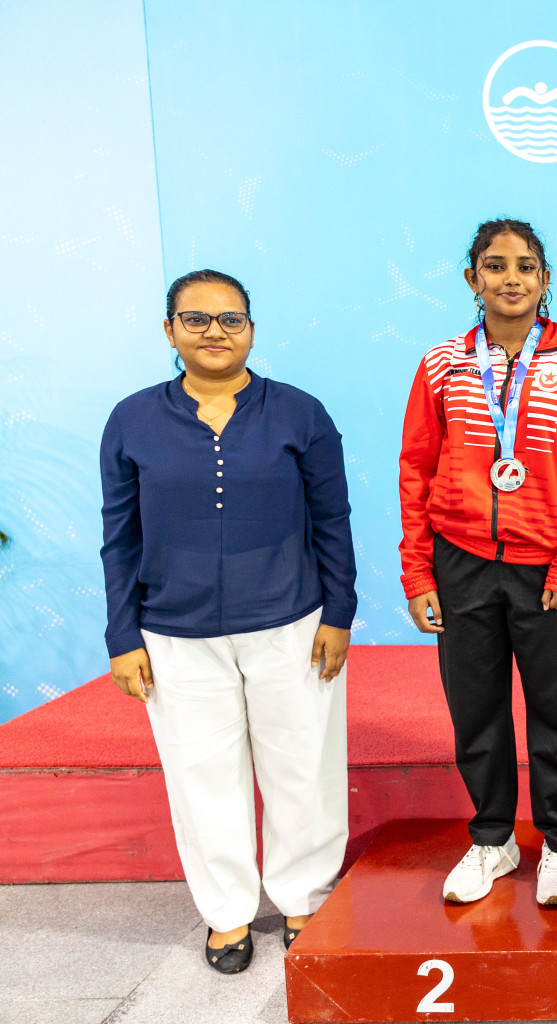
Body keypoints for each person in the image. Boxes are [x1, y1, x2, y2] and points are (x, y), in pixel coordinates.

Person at [100, 269, 356, 973]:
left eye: (230, 319)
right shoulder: (132, 420)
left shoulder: (299, 413)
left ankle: (303, 896)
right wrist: (123, 636)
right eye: (196, 319)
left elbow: (332, 520)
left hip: (291, 622)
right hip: (174, 633)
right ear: (169, 330)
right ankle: (226, 915)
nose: (215, 331)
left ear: (251, 328)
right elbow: (118, 536)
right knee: (201, 775)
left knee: (302, 763)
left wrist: (339, 612)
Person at [399, 219, 557, 907]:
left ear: (545, 279)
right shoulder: (442, 365)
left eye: (526, 266)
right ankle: (492, 841)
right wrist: (418, 572)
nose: (512, 278)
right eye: (495, 266)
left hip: (546, 567)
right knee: (476, 711)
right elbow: (415, 469)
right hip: (460, 563)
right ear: (472, 280)